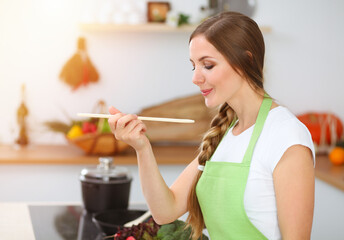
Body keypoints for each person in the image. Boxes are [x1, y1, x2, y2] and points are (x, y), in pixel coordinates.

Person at [108, 11, 315, 240]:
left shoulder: (286, 136)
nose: (196, 78)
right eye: (193, 66)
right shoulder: (224, 132)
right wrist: (142, 147)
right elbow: (165, 211)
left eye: (207, 65)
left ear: (246, 61)